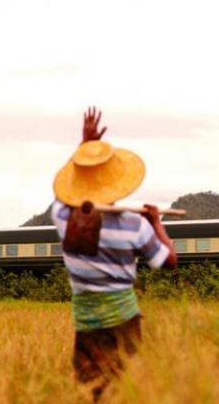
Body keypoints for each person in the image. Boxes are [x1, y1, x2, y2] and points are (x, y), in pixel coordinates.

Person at [50, 107, 177, 400]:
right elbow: (169, 261)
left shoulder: (63, 220)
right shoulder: (134, 225)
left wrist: (83, 150)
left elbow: (62, 195)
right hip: (125, 322)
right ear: (117, 181)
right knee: (124, 391)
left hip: (86, 324)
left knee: (92, 392)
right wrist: (156, 224)